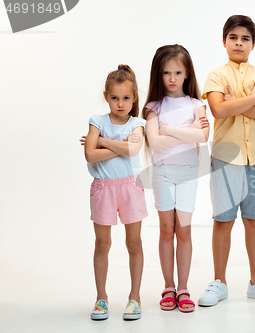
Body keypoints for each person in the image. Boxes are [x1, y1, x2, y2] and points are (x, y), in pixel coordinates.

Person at [198, 14, 255, 306]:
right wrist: (253, 99)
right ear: (224, 41)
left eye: (245, 38)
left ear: (253, 44)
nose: (239, 43)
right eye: (233, 37)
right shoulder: (216, 74)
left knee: (254, 220)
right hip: (225, 157)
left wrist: (235, 102)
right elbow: (218, 111)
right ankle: (220, 282)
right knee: (223, 220)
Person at [142, 44, 209, 313]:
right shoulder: (153, 106)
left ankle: (183, 288)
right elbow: (155, 143)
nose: (172, 78)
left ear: (187, 74)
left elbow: (203, 137)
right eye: (166, 72)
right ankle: (168, 286)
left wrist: (169, 129)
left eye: (178, 72)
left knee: (184, 230)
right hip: (162, 173)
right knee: (166, 229)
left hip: (187, 174)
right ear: (158, 75)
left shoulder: (196, 105)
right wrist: (185, 130)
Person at [82, 65, 147, 320]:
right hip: (103, 189)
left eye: (126, 98)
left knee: (134, 243)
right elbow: (89, 154)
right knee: (102, 244)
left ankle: (135, 297)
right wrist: (118, 146)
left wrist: (103, 141)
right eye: (115, 98)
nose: (120, 104)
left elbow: (133, 150)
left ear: (134, 98)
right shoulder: (96, 121)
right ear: (106, 96)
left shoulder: (137, 123)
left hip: (130, 187)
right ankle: (101, 298)